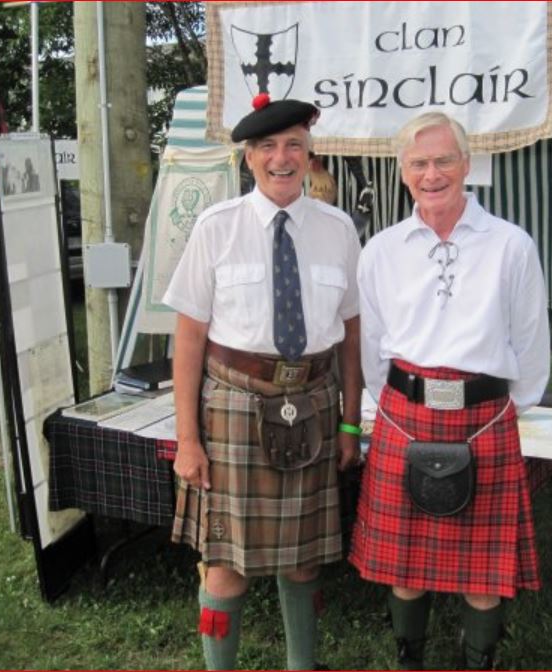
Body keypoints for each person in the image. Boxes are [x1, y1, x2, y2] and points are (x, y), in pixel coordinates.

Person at [163, 94, 363, 671]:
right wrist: (187, 439)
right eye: (268, 147)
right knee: (225, 563)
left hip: (316, 402)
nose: (282, 158)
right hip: (233, 408)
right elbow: (189, 341)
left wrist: (351, 422)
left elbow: (352, 336)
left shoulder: (339, 230)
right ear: (248, 158)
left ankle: (303, 665)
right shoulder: (216, 228)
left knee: (304, 561)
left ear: (309, 154)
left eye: (294, 145)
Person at [348, 112, 550, 670]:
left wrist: (505, 409)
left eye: (443, 160)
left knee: (483, 576)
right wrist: (396, 404)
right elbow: (372, 346)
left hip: (484, 417)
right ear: (403, 173)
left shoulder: (510, 245)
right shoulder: (381, 250)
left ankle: (477, 660)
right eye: (419, 163)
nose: (431, 174)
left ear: (466, 164)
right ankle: (408, 658)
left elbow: (531, 342)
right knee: (404, 568)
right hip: (404, 415)